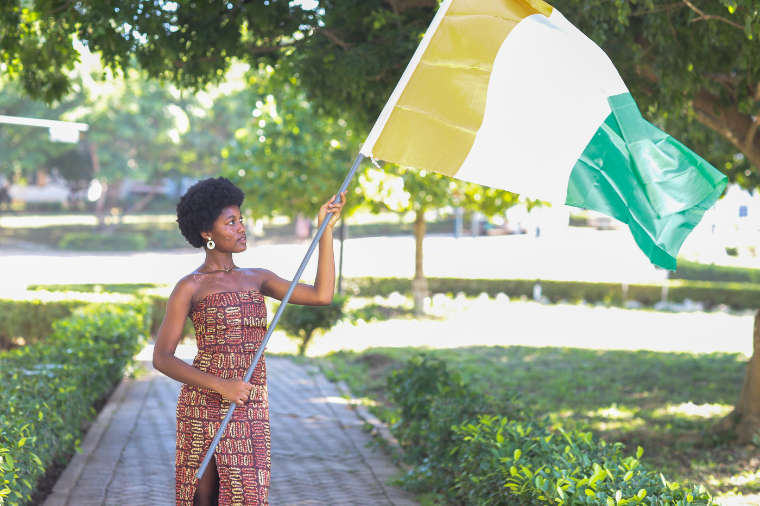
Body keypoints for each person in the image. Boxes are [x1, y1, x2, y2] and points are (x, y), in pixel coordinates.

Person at [153, 177, 346, 506]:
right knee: (203, 497)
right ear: (206, 233)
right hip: (204, 403)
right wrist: (220, 385)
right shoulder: (190, 286)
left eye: (241, 219)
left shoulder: (259, 278)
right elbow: (162, 357)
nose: (242, 227)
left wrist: (324, 228)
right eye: (231, 221)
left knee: (248, 495)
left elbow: (321, 294)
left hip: (249, 401)